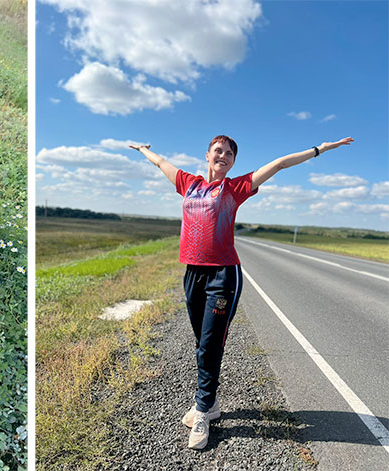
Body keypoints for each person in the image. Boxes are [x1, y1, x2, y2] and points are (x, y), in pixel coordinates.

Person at [130, 135, 353, 449]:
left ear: (233, 162)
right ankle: (211, 403)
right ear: (207, 155)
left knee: (209, 344)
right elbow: (161, 163)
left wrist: (321, 149)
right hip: (193, 273)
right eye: (218, 151)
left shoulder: (233, 188)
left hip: (223, 275)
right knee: (201, 343)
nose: (223, 156)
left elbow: (278, 164)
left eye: (229, 154)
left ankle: (204, 411)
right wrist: (143, 151)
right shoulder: (188, 184)